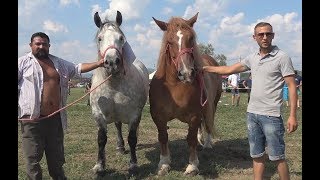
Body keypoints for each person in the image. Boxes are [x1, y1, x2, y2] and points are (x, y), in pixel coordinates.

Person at [203, 22, 298, 180]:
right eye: (261, 35)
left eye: (268, 34)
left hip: (272, 116)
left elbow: (292, 87)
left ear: (273, 35)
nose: (265, 37)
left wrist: (292, 115)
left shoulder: (282, 57)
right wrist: (205, 68)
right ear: (255, 38)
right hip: (252, 114)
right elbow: (228, 70)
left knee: (278, 157)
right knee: (257, 155)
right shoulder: (252, 58)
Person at [18, 32, 105, 180]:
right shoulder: (22, 63)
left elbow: (77, 68)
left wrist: (98, 63)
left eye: (44, 44)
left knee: (56, 159)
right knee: (33, 160)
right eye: (37, 43)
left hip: (55, 120)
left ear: (49, 46)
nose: (41, 46)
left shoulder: (58, 64)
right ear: (30, 45)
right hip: (32, 121)